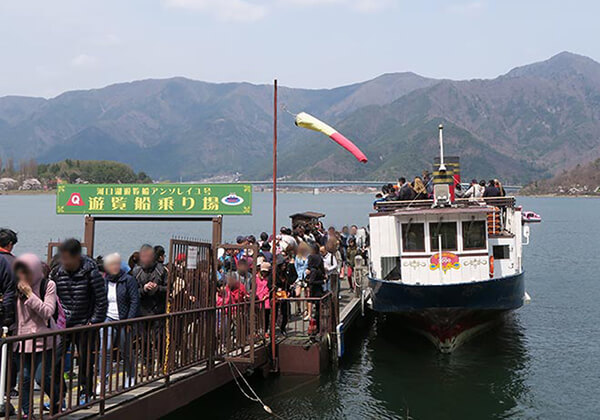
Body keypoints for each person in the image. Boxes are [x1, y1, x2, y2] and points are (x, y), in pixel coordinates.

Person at [50, 238, 107, 403]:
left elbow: (101, 301)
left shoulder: (91, 272)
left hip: (85, 324)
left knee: (85, 362)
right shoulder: (57, 272)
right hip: (63, 325)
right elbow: (53, 299)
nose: (65, 262)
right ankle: (59, 395)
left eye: (68, 258)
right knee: (56, 361)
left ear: (77, 257)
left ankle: (86, 392)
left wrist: (93, 322)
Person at [14, 254, 63, 417]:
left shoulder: (47, 285)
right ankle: (27, 412)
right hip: (23, 339)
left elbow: (48, 312)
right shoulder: (15, 285)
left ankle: (57, 400)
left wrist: (29, 294)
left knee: (43, 377)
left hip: (44, 339)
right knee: (25, 378)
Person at [97, 253, 140, 394]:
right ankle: (103, 381)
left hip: (124, 319)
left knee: (125, 350)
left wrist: (129, 320)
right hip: (107, 318)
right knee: (106, 349)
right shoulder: (104, 281)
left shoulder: (128, 280)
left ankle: (130, 376)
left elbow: (135, 301)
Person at [131, 245, 168, 316]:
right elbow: (132, 292)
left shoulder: (161, 270)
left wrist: (157, 288)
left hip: (158, 311)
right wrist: (144, 289)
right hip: (141, 312)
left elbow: (169, 288)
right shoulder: (136, 271)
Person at [255, 262, 271, 335]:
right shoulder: (255, 278)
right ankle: (257, 331)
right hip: (258, 298)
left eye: (266, 272)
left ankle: (265, 330)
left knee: (266, 315)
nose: (264, 273)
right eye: (263, 271)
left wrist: (266, 295)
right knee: (257, 316)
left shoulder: (269, 279)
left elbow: (269, 288)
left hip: (266, 298)